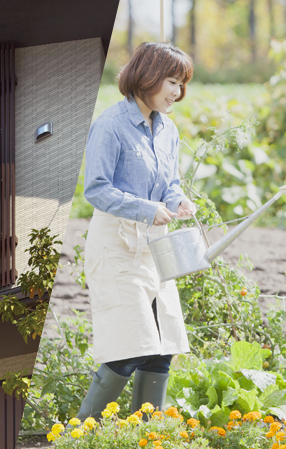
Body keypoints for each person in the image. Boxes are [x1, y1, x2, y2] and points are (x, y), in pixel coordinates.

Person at [75, 42, 196, 420]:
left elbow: (170, 183)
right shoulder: (110, 126)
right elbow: (96, 189)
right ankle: (79, 438)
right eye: (172, 81)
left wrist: (178, 201)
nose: (177, 92)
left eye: (181, 84)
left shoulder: (168, 130)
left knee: (162, 348)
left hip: (154, 248)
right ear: (148, 77)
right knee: (129, 348)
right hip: (117, 246)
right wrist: (147, 209)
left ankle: (144, 437)